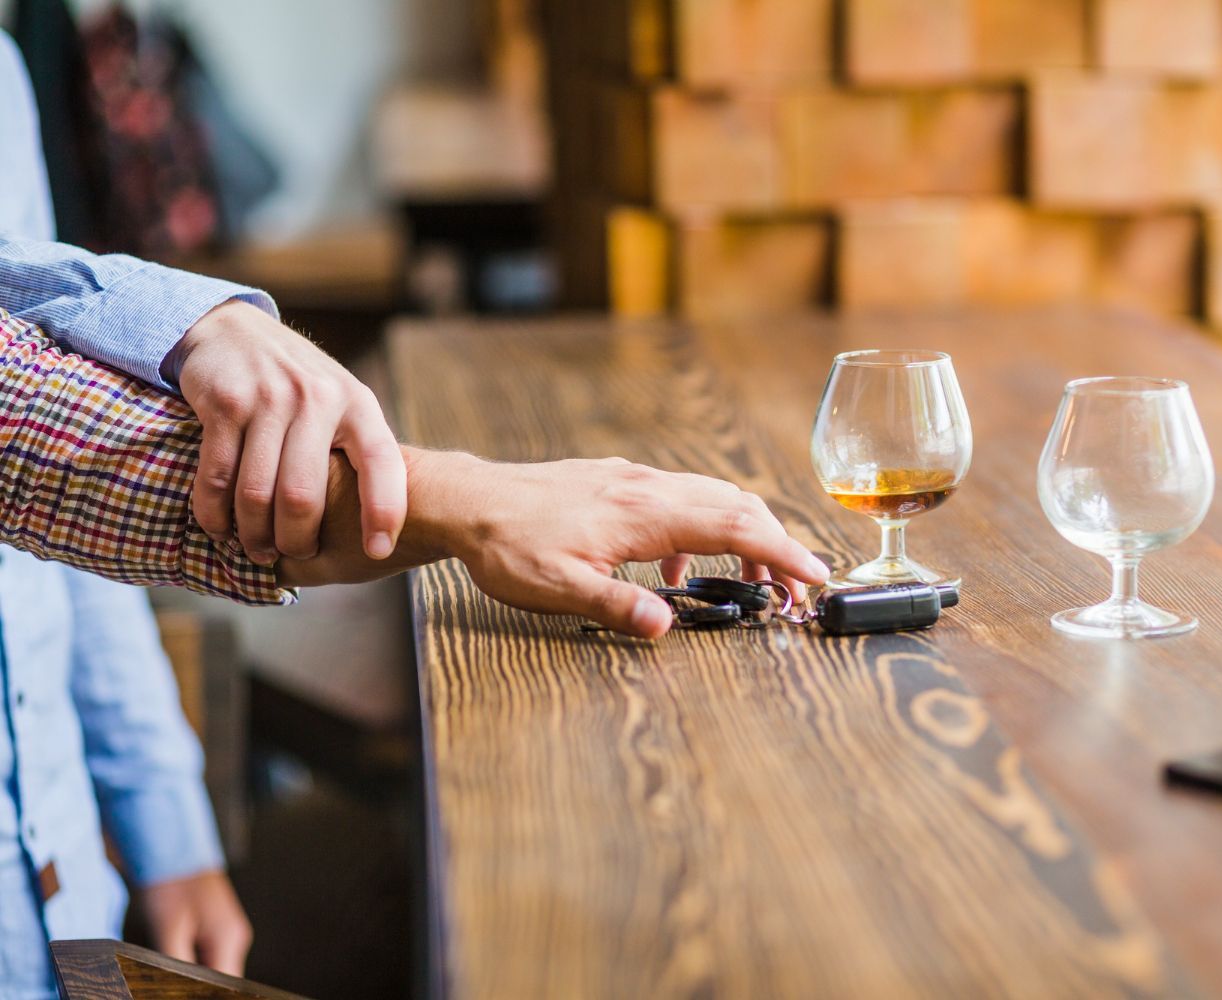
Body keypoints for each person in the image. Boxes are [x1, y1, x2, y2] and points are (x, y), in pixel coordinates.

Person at [0, 27, 825, 1000]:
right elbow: (35, 453)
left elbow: (48, 550)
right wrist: (470, 498)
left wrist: (170, 828)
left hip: (71, 904)